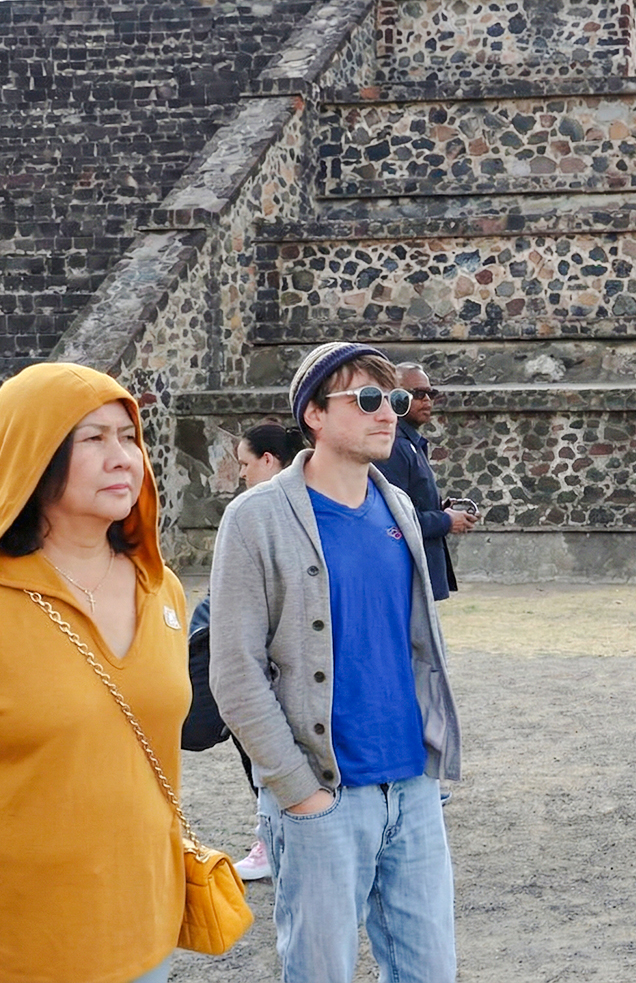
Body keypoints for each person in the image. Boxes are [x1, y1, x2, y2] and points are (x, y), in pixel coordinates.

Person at [209, 342, 462, 982]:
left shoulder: (398, 507)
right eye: (369, 399)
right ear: (314, 415)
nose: (390, 415)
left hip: (411, 784)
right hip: (324, 790)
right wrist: (297, 791)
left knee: (430, 971)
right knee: (320, 972)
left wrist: (428, 768)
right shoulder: (255, 518)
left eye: (396, 401)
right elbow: (235, 671)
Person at [0, 362, 190, 983]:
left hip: (147, 929)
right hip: (26, 943)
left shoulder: (162, 590)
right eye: (92, 438)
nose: (123, 459)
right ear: (33, 455)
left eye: (128, 436)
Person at [184, 421, 305, 883]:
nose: (240, 473)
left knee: (263, 740)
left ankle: (273, 838)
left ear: (269, 461)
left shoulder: (257, 514)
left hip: (265, 653)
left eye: (245, 463)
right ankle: (272, 836)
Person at [375, 362, 477, 601]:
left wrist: (441, 510)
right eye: (418, 394)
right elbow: (391, 519)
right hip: (405, 578)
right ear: (395, 397)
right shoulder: (395, 446)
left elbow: (410, 504)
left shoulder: (410, 443)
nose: (427, 400)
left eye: (431, 393)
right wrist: (444, 520)